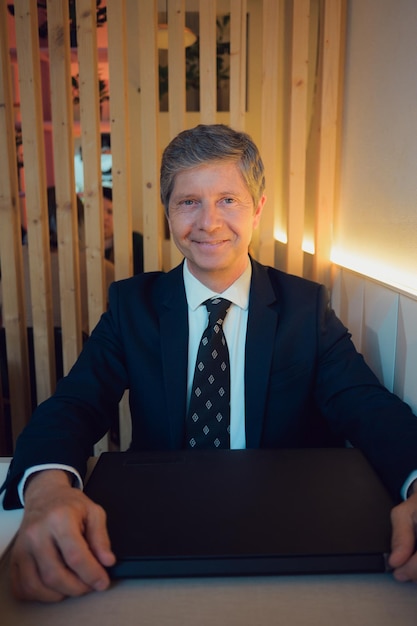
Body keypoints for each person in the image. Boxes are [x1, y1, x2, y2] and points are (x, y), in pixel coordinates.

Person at [1, 124, 417, 603]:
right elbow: (75, 403)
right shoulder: (131, 305)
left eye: (228, 200)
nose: (208, 222)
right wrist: (47, 489)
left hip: (287, 533)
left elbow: (366, 404)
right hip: (155, 530)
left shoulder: (305, 308)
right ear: (168, 213)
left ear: (257, 208)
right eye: (188, 202)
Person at [102, 186, 144, 275]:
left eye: (110, 212)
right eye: (98, 211)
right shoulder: (81, 247)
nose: (104, 217)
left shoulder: (135, 242)